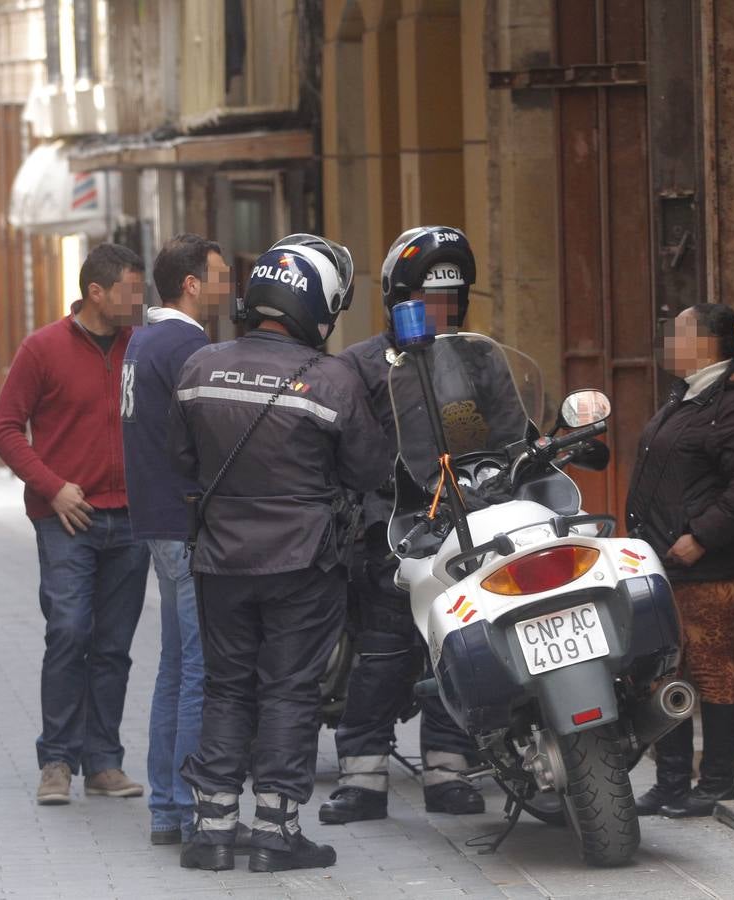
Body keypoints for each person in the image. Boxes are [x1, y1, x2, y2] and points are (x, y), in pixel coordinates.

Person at [170, 237, 388, 874]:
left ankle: (212, 831)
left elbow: (179, 461)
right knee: (290, 692)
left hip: (219, 560)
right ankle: (275, 831)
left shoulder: (199, 368)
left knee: (226, 688)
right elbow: (370, 468)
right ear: (314, 306)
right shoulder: (332, 378)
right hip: (303, 564)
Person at [319, 226, 486, 826]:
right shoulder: (357, 367)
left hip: (462, 533)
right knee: (384, 655)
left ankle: (450, 769)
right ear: (397, 299)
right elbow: (333, 453)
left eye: (452, 301)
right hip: (385, 533)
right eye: (429, 301)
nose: (442, 312)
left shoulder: (472, 361)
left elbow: (499, 436)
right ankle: (362, 775)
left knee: (454, 650)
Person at [0, 243, 151, 807]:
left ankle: (104, 763)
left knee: (113, 646)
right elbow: (5, 428)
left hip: (132, 518)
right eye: (131, 289)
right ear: (96, 293)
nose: (140, 300)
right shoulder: (43, 349)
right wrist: (51, 487)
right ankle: (56, 760)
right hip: (67, 519)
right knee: (68, 632)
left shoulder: (144, 347)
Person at [625, 303, 734, 819]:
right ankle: (670, 782)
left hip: (708, 563)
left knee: (710, 666)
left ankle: (715, 784)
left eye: (680, 331)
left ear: (710, 342)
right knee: (666, 667)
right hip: (664, 560)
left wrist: (701, 538)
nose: (669, 339)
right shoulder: (690, 395)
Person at [120, 234, 232, 845]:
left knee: (175, 666)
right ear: (191, 282)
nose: (228, 285)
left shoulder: (143, 340)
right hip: (187, 525)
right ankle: (192, 810)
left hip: (157, 522)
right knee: (200, 672)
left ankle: (165, 807)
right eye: (221, 274)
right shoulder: (188, 345)